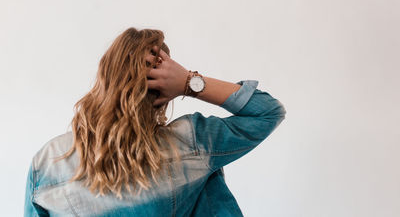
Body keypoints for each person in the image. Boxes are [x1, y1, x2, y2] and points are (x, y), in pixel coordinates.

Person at [24, 27, 286, 217]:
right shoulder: (189, 144)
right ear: (163, 91)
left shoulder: (48, 163)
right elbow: (267, 112)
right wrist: (190, 82)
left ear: (104, 77)